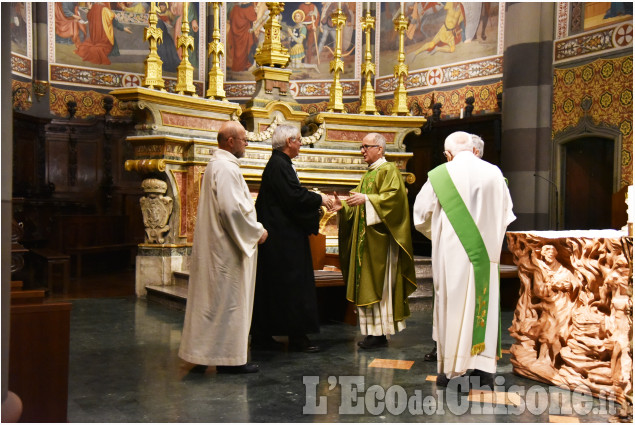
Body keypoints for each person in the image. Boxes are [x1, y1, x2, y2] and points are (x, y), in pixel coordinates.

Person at [413, 131, 515, 389]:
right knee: (484, 307)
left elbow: (421, 217)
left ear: (448, 154)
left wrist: (440, 233)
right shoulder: (495, 173)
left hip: (452, 255)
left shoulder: (439, 175)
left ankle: (451, 371)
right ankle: (484, 370)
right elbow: (506, 215)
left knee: (453, 307)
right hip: (486, 257)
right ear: (474, 149)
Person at [179, 121, 268, 374]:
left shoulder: (215, 165)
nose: (246, 143)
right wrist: (257, 232)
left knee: (213, 304)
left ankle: (205, 353)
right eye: (243, 139)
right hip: (228, 249)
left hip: (218, 245)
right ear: (230, 141)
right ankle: (229, 359)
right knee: (229, 303)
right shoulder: (227, 168)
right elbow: (232, 211)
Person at [331, 133, 417, 349]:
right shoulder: (368, 174)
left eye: (366, 147)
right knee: (367, 284)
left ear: (379, 148)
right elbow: (358, 202)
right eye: (361, 147)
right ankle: (372, 332)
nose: (362, 151)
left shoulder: (389, 171)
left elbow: (395, 202)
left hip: (382, 243)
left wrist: (368, 199)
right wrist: (345, 206)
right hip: (366, 242)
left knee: (382, 284)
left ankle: (380, 332)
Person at [251, 125, 332, 353]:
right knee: (293, 286)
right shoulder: (279, 165)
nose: (301, 144)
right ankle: (297, 338)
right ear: (289, 141)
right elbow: (294, 196)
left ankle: (264, 335)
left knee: (274, 287)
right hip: (283, 240)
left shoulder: (279, 164)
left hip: (280, 237)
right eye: (298, 140)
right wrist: (320, 199)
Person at [227, 2, 257, 72]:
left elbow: (232, 19)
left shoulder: (235, 9)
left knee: (241, 51)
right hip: (245, 35)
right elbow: (254, 18)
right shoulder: (249, 9)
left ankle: (238, 67)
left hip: (239, 35)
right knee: (243, 50)